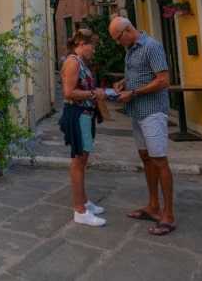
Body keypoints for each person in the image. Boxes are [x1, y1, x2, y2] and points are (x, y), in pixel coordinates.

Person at [109, 16, 176, 236]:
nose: (118, 43)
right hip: (137, 112)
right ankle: (153, 206)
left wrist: (134, 92)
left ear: (127, 30)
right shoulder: (131, 49)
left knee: (159, 160)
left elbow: (163, 80)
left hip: (153, 111)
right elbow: (140, 75)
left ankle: (168, 215)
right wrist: (123, 83)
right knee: (146, 157)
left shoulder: (152, 47)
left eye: (119, 38)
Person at [58, 28, 110, 226]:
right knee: (78, 161)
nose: (93, 51)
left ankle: (84, 202)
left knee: (83, 158)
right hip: (78, 114)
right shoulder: (72, 62)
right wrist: (93, 94)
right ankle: (79, 211)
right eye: (92, 47)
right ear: (82, 44)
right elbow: (69, 92)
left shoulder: (80, 62)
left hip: (85, 115)